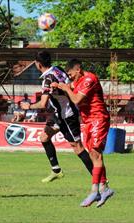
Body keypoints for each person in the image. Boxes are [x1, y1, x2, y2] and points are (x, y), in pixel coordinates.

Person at [21, 51, 93, 183]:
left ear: (38, 64)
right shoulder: (58, 69)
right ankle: (56, 170)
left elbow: (43, 104)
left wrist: (28, 106)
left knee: (78, 148)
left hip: (67, 115)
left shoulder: (47, 80)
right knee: (44, 137)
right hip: (58, 114)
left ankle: (98, 178)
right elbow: (69, 84)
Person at [54, 58, 114, 208]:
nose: (70, 77)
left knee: (95, 153)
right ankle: (104, 188)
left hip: (98, 119)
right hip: (88, 121)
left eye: (71, 74)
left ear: (78, 69)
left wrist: (66, 88)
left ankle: (95, 190)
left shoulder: (89, 78)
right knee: (94, 155)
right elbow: (70, 85)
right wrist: (58, 86)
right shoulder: (77, 81)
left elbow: (76, 99)